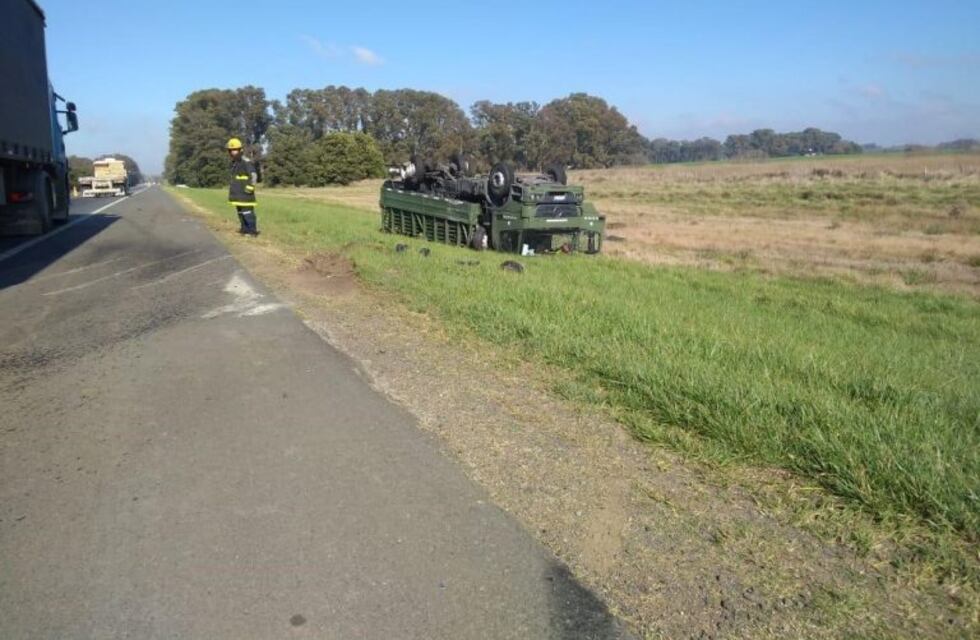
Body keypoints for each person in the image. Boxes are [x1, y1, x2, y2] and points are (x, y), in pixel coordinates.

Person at [226, 138, 258, 235]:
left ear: (240, 150)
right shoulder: (234, 163)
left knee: (247, 212)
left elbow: (253, 175)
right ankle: (244, 229)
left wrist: (250, 188)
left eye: (235, 149)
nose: (233, 152)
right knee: (240, 212)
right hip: (237, 193)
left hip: (245, 193)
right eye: (231, 150)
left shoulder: (245, 162)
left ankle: (252, 231)